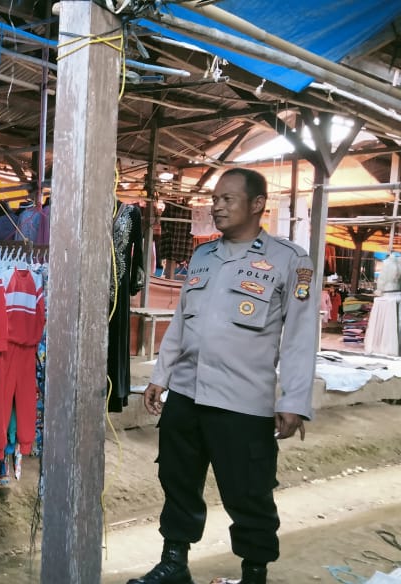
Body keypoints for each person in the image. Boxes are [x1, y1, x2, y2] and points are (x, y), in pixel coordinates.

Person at [129, 168, 318, 584]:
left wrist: (293, 400)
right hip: (187, 393)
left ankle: (254, 572)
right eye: (215, 199)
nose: (217, 206)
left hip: (242, 400)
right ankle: (174, 561)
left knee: (247, 492)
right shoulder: (203, 256)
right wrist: (161, 375)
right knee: (177, 481)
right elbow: (181, 321)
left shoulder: (290, 261)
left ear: (256, 205)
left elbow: (302, 336)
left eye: (228, 199)